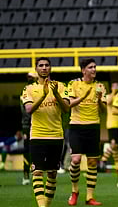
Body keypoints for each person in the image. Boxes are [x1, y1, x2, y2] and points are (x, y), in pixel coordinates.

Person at [21, 57, 70, 207]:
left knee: (52, 174)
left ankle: (46, 205)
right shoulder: (28, 89)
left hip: (56, 135)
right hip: (37, 136)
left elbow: (67, 108)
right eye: (41, 65)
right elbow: (29, 110)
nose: (44, 68)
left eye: (47, 65)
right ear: (36, 69)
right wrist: (43, 94)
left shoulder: (61, 86)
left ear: (51, 68)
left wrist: (55, 94)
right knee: (36, 172)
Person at [66, 58, 107, 206]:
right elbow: (69, 104)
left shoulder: (100, 86)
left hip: (93, 126)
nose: (94, 70)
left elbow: (104, 110)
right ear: (83, 70)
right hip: (77, 126)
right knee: (75, 160)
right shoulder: (73, 84)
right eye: (90, 67)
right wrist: (82, 97)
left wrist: (100, 100)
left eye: (95, 67)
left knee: (92, 162)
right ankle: (74, 191)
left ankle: (89, 197)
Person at [19, 71, 38, 185]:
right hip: (28, 125)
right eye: (29, 77)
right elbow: (26, 111)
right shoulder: (25, 91)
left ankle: (37, 172)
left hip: (38, 124)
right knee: (27, 150)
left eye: (32, 77)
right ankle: (26, 175)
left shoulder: (37, 90)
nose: (30, 78)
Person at [99, 82, 118, 171]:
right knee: (113, 144)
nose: (116, 87)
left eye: (117, 86)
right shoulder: (108, 96)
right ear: (111, 87)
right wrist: (113, 92)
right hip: (112, 124)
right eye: (114, 86)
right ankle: (103, 160)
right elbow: (109, 102)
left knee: (116, 146)